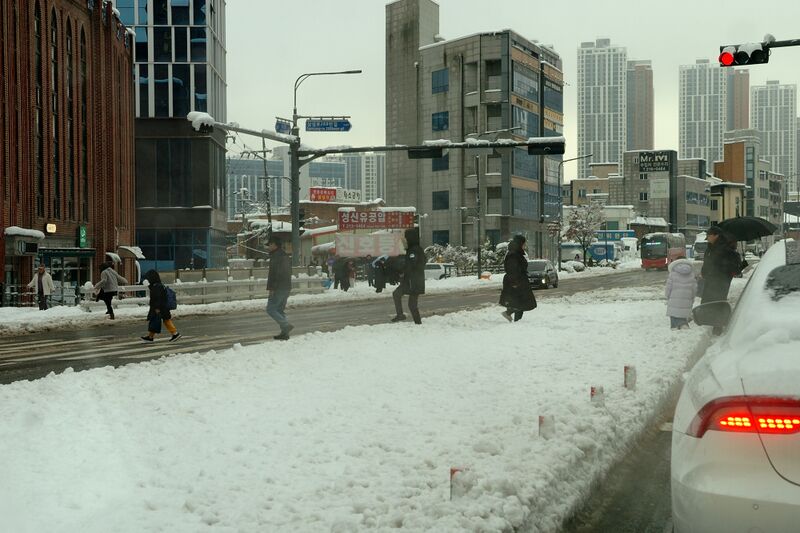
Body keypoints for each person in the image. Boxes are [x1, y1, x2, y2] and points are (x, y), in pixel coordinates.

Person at [391, 227, 425, 324]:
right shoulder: (415, 249)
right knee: (397, 294)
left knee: (411, 304)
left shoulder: (414, 250)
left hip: (413, 282)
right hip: (412, 281)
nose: (405, 241)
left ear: (411, 238)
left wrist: (401, 268)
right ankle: (402, 316)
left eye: (406, 238)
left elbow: (411, 265)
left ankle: (417, 323)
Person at [499, 234, 537, 322]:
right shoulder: (514, 254)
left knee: (520, 303)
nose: (525, 245)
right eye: (524, 244)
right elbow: (512, 269)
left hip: (519, 281)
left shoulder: (516, 253)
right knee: (520, 303)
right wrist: (514, 282)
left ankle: (511, 316)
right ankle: (513, 318)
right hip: (516, 282)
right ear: (520, 243)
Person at [699, 226, 741, 305]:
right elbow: (707, 262)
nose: (707, 238)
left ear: (716, 235)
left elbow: (733, 265)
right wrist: (704, 272)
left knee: (716, 303)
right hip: (710, 280)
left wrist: (721, 272)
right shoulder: (710, 248)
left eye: (709, 235)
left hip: (720, 282)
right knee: (707, 303)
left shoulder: (725, 248)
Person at [266, 235, 294, 340]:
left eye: (270, 244)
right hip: (286, 286)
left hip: (278, 287)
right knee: (279, 310)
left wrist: (272, 288)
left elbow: (275, 273)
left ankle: (286, 325)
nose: (268, 246)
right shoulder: (284, 255)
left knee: (271, 309)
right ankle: (285, 333)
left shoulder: (276, 256)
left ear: (274, 245)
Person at [141, 269, 180, 342]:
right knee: (161, 320)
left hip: (159, 307)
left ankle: (175, 333)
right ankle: (151, 336)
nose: (148, 279)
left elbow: (158, 298)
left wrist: (157, 308)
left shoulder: (157, 286)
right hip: (162, 307)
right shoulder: (158, 285)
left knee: (156, 321)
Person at [665, 256, 697, 329]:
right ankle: (683, 325)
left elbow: (668, 287)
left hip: (674, 300)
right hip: (687, 299)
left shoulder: (672, 274)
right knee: (683, 315)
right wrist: (692, 298)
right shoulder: (691, 274)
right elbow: (694, 289)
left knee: (674, 315)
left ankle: (676, 327)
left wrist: (667, 296)